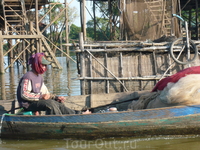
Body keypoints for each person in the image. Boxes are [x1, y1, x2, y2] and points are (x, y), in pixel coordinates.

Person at [17, 53, 91, 115]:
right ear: (36, 65)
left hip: (37, 102)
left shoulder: (39, 77)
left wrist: (56, 97)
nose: (44, 68)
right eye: (42, 65)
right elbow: (24, 94)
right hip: (28, 105)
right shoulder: (28, 76)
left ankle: (78, 114)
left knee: (58, 103)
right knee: (50, 104)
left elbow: (46, 93)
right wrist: (40, 96)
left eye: (45, 66)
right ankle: (56, 120)